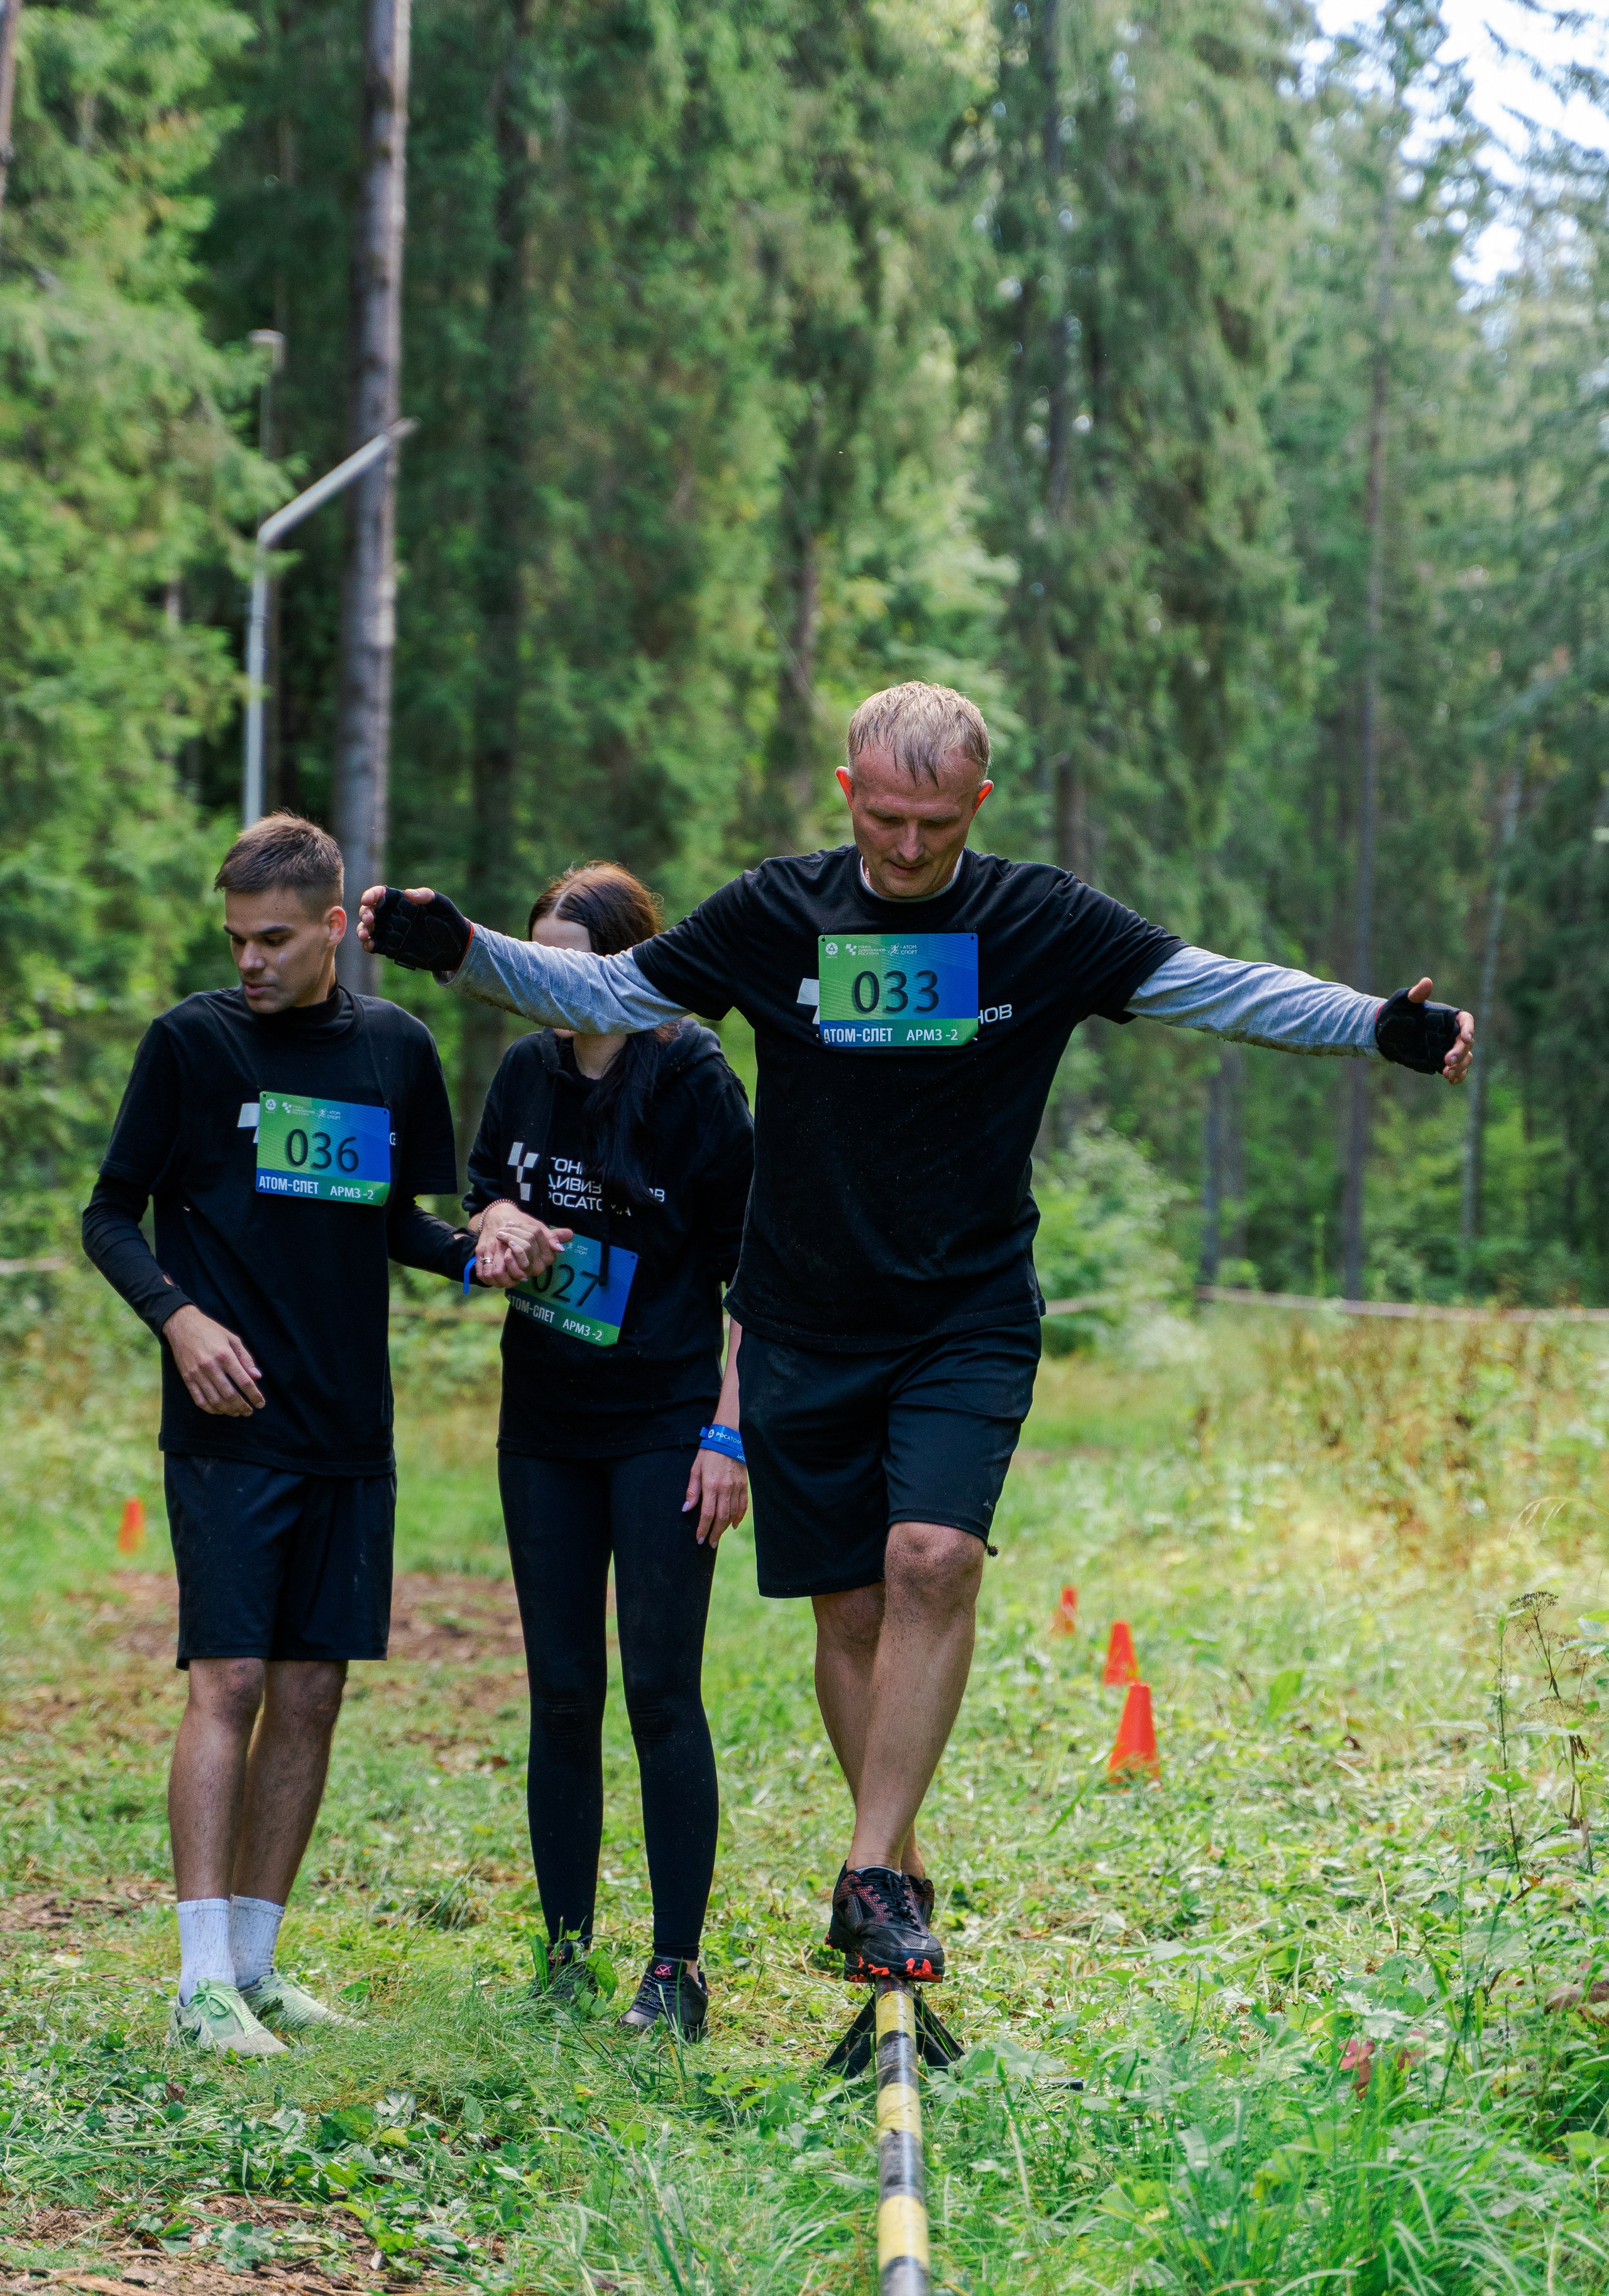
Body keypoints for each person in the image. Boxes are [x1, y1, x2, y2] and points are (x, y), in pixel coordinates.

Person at [356, 681, 1474, 1990]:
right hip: (802, 1316)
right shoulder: (777, 911)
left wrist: (1374, 1025)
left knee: (932, 1554)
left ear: (977, 806)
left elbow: (1215, 988)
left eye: (934, 825)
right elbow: (605, 979)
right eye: (884, 818)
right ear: (846, 792)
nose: (903, 849)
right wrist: (464, 947)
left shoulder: (1035, 919)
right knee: (851, 1606)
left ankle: (871, 1867)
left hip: (964, 1306)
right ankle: (895, 1867)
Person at [82, 814, 476, 2055]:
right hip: (227, 1423)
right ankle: (198, 1982)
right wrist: (180, 1320)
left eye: (270, 939)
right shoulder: (192, 1045)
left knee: (309, 1690)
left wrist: (484, 1252)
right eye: (234, 940)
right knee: (231, 1678)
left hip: (348, 1424)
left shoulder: (395, 1049)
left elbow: (402, 1222)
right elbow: (110, 1215)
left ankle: (254, 1966)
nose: (249, 961)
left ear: (328, 924)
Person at [463, 863, 753, 2042]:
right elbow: (480, 1196)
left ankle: (674, 1971)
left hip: (665, 1421)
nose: (551, 983)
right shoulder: (527, 1070)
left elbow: (757, 1269)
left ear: (631, 964)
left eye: (575, 964)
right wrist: (497, 1225)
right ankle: (565, 1952)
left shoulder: (689, 1075)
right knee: (562, 1691)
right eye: (536, 962)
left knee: (658, 1691)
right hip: (543, 1420)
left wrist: (729, 1430)